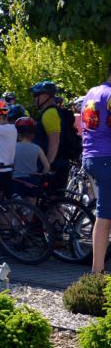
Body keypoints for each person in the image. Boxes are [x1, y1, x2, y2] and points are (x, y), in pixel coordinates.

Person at [81, 64, 111, 273]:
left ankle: (97, 272)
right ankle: (97, 273)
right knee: (105, 215)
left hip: (91, 156)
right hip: (108, 157)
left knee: (105, 213)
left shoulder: (92, 92)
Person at [30, 80, 70, 190]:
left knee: (52, 199)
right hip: (56, 162)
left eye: (36, 95)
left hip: (55, 164)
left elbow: (54, 141)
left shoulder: (50, 113)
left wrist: (47, 165)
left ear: (46, 96)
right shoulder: (48, 112)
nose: (34, 98)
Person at [12, 117, 50, 202]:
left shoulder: (14, 147)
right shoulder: (37, 148)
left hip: (17, 182)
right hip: (32, 181)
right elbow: (47, 166)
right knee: (31, 206)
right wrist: (41, 175)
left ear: (18, 133)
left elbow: (10, 164)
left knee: (16, 206)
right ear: (33, 134)